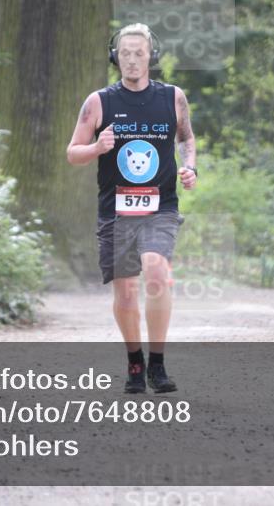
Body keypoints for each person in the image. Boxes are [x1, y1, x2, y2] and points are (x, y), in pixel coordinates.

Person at [66, 23, 197, 394]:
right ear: (115, 57)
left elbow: (186, 139)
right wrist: (95, 148)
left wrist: (191, 167)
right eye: (125, 53)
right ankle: (135, 363)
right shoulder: (98, 102)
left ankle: (157, 364)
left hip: (160, 207)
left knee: (156, 274)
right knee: (125, 293)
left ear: (151, 56)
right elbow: (72, 152)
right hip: (116, 210)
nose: (133, 60)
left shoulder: (173, 97)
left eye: (140, 53)